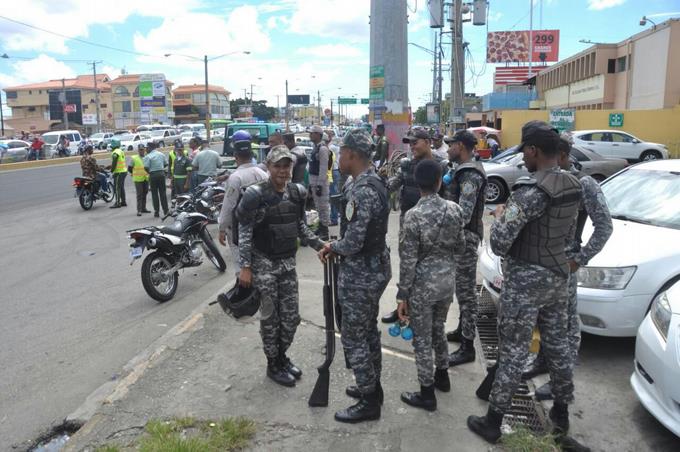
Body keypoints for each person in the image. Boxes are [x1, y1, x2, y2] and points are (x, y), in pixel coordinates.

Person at [467, 121, 582, 445]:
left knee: (514, 351)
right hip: (558, 278)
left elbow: (501, 242)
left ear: (533, 151)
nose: (524, 160)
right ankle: (560, 416)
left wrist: (502, 216)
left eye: (525, 153)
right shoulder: (573, 183)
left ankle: (493, 421)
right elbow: (568, 232)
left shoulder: (530, 190)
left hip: (526, 282)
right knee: (559, 349)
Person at [528, 135, 613, 401]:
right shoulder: (544, 182)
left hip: (564, 267)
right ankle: (542, 362)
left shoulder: (584, 184)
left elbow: (604, 226)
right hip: (541, 266)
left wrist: (580, 258)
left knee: (565, 327)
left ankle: (559, 383)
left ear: (562, 155)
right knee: (546, 322)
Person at [318, 128, 391, 423]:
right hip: (373, 268)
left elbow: (352, 243)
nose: (339, 157)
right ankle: (373, 387)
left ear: (352, 154)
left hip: (362, 272)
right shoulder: (371, 182)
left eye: (342, 152)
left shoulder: (362, 190)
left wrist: (331, 246)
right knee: (368, 330)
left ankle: (369, 401)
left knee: (353, 336)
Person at [236, 145, 324, 387]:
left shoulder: (297, 192)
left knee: (291, 317)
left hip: (287, 263)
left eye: (287, 165)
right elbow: (244, 232)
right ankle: (273, 363)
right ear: (268, 167)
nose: (283, 171)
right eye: (278, 166)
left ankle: (282, 357)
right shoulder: (256, 195)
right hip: (263, 263)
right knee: (270, 319)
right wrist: (245, 267)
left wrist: (320, 245)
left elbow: (300, 227)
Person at [396, 159, 465, 412]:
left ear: (418, 183)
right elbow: (461, 246)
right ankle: (442, 376)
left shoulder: (413, 216)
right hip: (447, 283)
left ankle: (427, 394)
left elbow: (408, 260)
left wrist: (402, 294)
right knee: (439, 328)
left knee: (422, 340)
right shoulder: (455, 210)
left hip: (422, 286)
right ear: (439, 181)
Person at [380, 126, 447, 324]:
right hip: (407, 223)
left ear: (427, 141)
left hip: (433, 228)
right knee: (407, 266)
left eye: (415, 142)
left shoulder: (442, 165)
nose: (411, 147)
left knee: (430, 269)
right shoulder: (407, 165)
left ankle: (427, 314)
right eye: (409, 143)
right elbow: (393, 184)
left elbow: (449, 198)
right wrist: (379, 182)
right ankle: (403, 307)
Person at [441, 130, 488, 367]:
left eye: (450, 145)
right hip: (462, 238)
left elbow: (464, 213)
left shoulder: (470, 174)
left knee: (467, 293)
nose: (447, 148)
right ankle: (462, 330)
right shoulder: (461, 170)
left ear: (460, 146)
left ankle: (468, 346)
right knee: (462, 290)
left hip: (465, 239)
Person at [218, 134, 268, 276]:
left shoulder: (235, 178)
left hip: (239, 228)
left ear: (235, 156)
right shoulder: (262, 173)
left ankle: (244, 290)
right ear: (251, 155)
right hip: (261, 225)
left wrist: (222, 228)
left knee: (241, 265)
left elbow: (229, 206)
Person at [308, 124, 331, 240]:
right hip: (314, 181)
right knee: (318, 206)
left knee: (323, 206)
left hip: (319, 181)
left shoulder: (322, 148)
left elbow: (323, 168)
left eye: (312, 133)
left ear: (318, 134)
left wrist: (320, 185)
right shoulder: (315, 147)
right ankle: (321, 227)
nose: (310, 135)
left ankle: (325, 230)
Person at [143, 141, 169, 218]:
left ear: (151, 148)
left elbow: (146, 167)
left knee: (154, 194)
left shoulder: (148, 156)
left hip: (153, 175)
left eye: (147, 148)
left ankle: (156, 212)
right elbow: (166, 164)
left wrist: (150, 172)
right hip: (161, 174)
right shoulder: (161, 154)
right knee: (163, 193)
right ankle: (166, 210)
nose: (146, 149)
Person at [128, 145, 150, 216]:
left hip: (145, 178)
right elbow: (130, 168)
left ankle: (144, 208)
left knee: (145, 193)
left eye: (143, 149)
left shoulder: (147, 157)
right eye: (140, 150)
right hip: (138, 179)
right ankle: (139, 210)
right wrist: (133, 173)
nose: (141, 151)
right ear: (138, 150)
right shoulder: (134, 158)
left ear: (145, 150)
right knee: (139, 195)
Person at [109, 138, 127, 208]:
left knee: (117, 188)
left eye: (111, 146)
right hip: (123, 171)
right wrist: (110, 166)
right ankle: (123, 201)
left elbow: (114, 162)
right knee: (121, 187)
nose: (111, 148)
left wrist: (111, 171)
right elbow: (118, 162)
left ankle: (117, 203)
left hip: (119, 172)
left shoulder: (115, 152)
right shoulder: (120, 151)